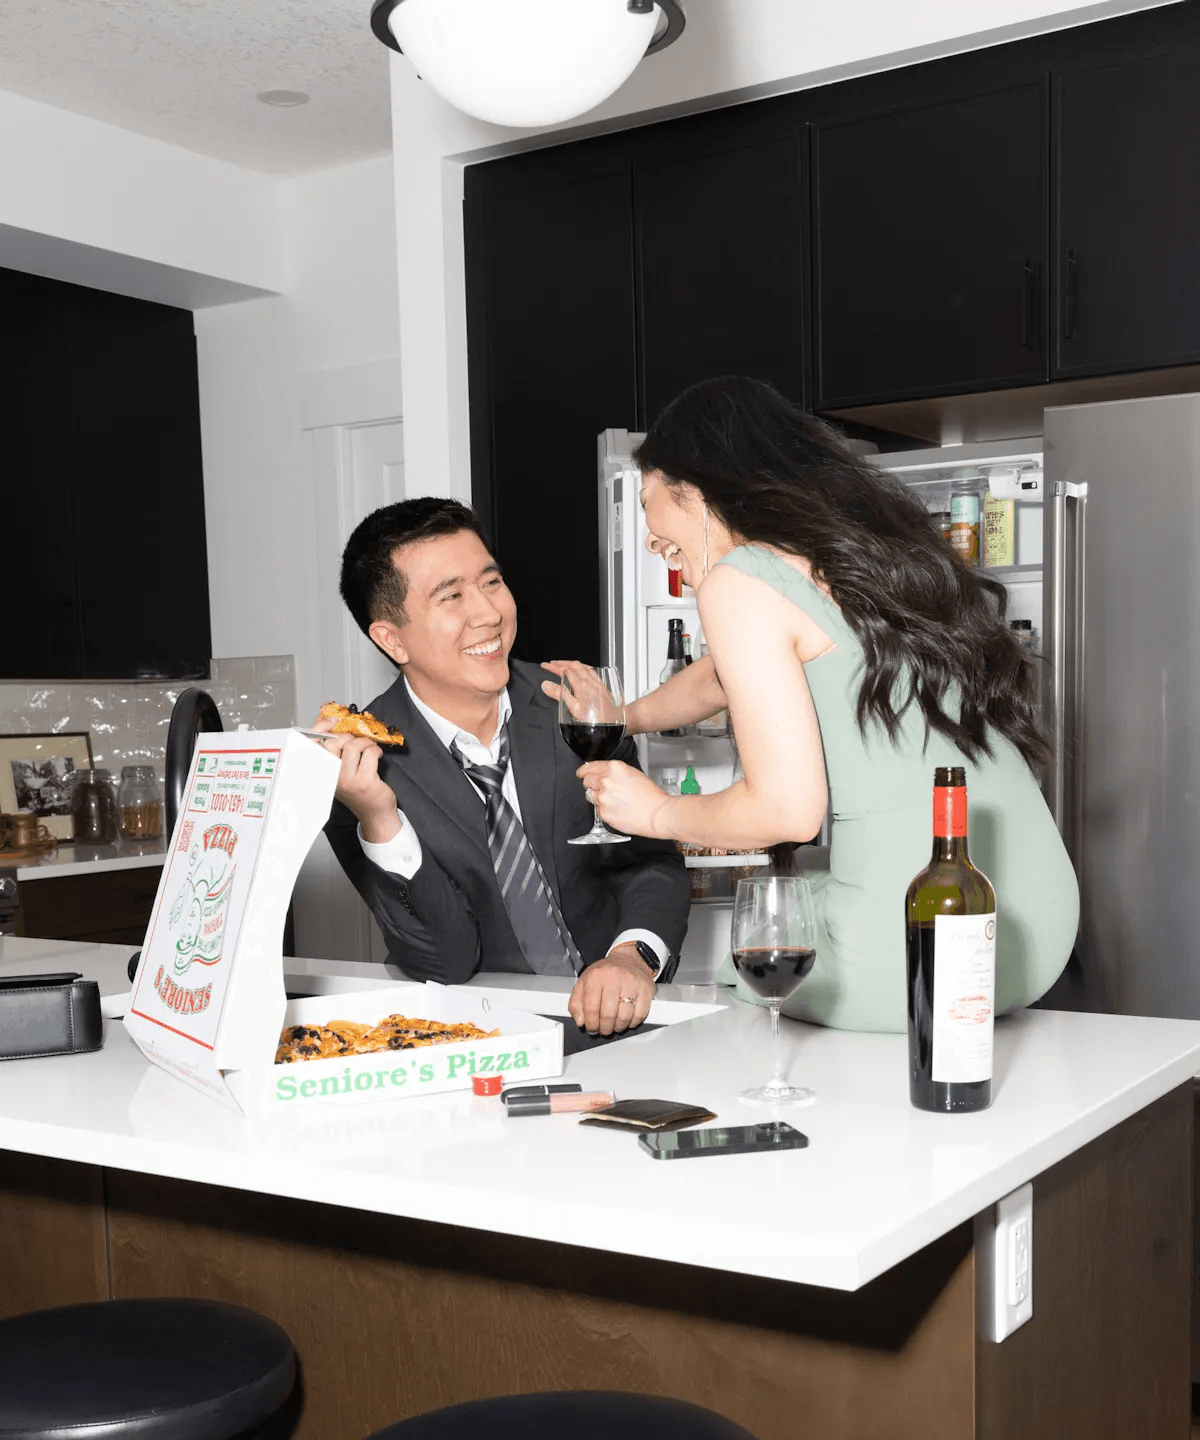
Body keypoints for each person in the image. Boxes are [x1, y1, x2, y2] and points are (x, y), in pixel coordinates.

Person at [547, 376, 1078, 1033]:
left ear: (700, 487)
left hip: (916, 949)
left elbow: (786, 813)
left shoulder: (742, 579)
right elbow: (718, 678)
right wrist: (622, 717)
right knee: (792, 910)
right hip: (1030, 929)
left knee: (746, 960)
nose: (657, 541)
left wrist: (656, 812)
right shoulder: (863, 556)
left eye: (654, 503)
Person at [317, 498, 691, 1040]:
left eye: (491, 583)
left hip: (627, 1028)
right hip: (481, 1048)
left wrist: (632, 957)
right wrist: (378, 817)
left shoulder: (575, 705)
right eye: (452, 596)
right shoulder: (354, 768)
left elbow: (650, 859)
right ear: (391, 638)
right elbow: (444, 961)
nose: (489, 613)